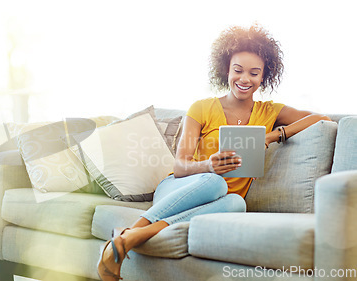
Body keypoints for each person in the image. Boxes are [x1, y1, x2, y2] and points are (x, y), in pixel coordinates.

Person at [97, 24, 331, 281]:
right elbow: (180, 166)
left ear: (263, 77)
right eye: (238, 70)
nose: (244, 79)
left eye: (254, 73)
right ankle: (134, 229)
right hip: (181, 188)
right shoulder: (201, 108)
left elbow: (320, 117)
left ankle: (134, 236)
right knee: (214, 181)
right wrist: (208, 165)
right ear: (226, 70)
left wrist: (274, 135)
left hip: (220, 200)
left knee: (237, 202)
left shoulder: (269, 112)